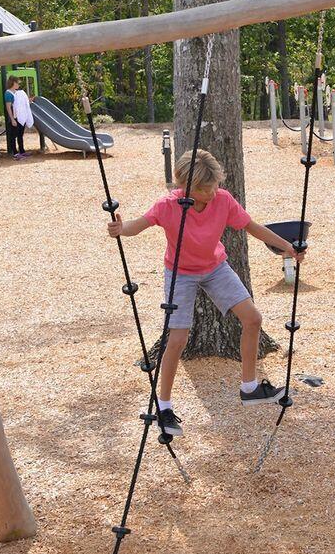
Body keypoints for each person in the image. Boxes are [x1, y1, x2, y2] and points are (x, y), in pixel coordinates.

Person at [105, 150, 304, 437]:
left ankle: (249, 387)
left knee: (252, 319)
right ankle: (164, 406)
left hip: (215, 266)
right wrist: (121, 229)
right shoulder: (168, 205)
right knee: (178, 338)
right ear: (186, 187)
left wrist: (287, 246)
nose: (212, 192)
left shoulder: (222, 200)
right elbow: (140, 224)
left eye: (214, 185)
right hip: (180, 272)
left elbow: (252, 227)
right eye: (205, 188)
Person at [3, 77, 32, 159]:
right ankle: (15, 153)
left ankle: (22, 151)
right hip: (14, 117)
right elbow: (8, 107)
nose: (19, 85)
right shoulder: (8, 93)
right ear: (13, 83)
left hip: (20, 117)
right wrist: (12, 119)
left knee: (20, 135)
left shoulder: (18, 93)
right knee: (13, 136)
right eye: (18, 83)